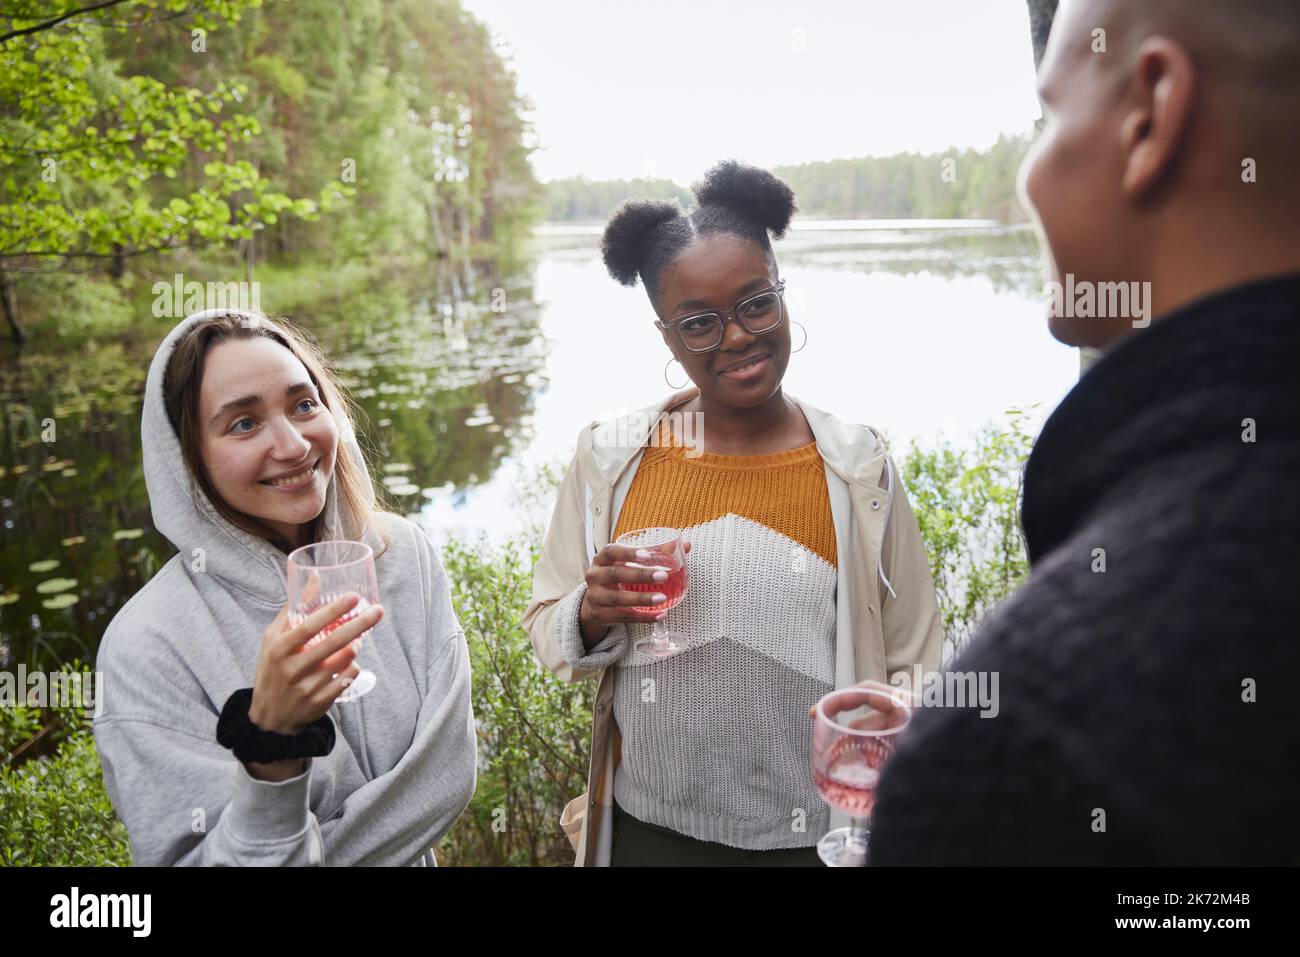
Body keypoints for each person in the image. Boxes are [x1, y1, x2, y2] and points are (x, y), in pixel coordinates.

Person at [868, 0, 1300, 864]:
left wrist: (967, 763)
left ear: (1151, 114)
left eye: (1053, 113)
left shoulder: (1041, 742)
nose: (1029, 176)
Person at [522, 161, 943, 866]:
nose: (738, 336)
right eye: (699, 322)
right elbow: (549, 630)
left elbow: (914, 653)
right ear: (666, 336)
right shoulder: (610, 459)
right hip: (651, 833)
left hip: (817, 836)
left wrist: (893, 734)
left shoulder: (857, 465)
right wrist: (592, 612)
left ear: (782, 295)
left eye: (756, 303)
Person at [93, 308, 477, 865]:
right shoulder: (147, 647)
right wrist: (270, 750)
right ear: (186, 458)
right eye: (243, 423)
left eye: (303, 404)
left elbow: (448, 776)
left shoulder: (403, 557)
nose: (295, 445)